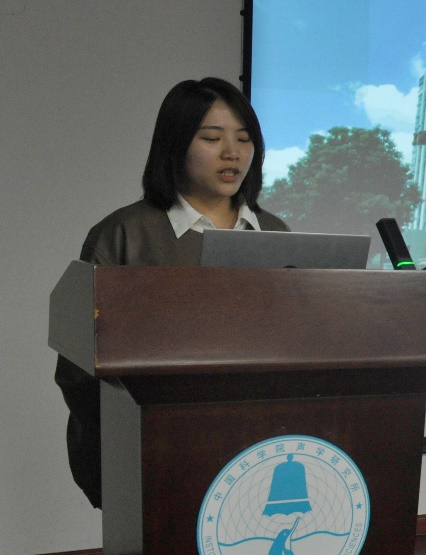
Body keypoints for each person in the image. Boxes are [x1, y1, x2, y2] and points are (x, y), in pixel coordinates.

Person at [55, 77, 289, 507]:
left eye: (244, 139)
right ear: (175, 144)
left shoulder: (275, 233)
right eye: (212, 138)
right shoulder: (124, 234)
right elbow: (77, 367)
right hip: (154, 454)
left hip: (259, 450)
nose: (232, 153)